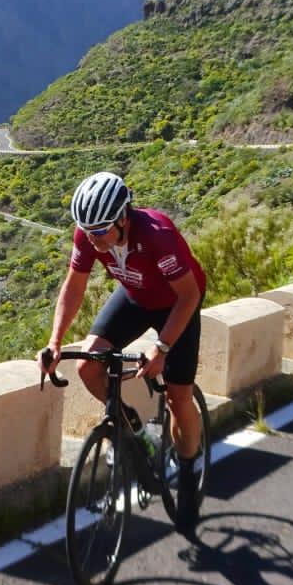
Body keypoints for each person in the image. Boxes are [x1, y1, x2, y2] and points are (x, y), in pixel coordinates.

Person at [38, 171, 207, 534]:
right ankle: (137, 434)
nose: (93, 239)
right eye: (88, 231)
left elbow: (189, 295)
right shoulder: (88, 234)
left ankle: (191, 470)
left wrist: (161, 348)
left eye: (100, 231)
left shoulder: (157, 235)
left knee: (179, 399)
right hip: (135, 296)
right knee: (87, 367)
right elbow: (74, 286)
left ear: (122, 218)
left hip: (177, 303)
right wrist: (54, 342)